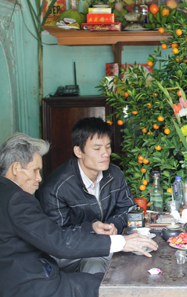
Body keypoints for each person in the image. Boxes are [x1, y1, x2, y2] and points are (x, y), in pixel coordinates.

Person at [0, 133, 157, 297]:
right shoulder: (16, 199)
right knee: (116, 286)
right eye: (35, 170)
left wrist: (89, 228)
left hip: (3, 288)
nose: (39, 178)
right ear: (16, 168)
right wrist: (121, 242)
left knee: (98, 275)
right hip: (33, 290)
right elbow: (59, 243)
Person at [37, 117, 136, 274]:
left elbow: (129, 209)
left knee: (139, 253)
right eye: (97, 149)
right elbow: (57, 236)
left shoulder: (115, 174)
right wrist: (91, 228)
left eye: (108, 147)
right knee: (95, 262)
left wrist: (113, 225)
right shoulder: (57, 187)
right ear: (78, 151)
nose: (105, 154)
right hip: (70, 252)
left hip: (107, 244)